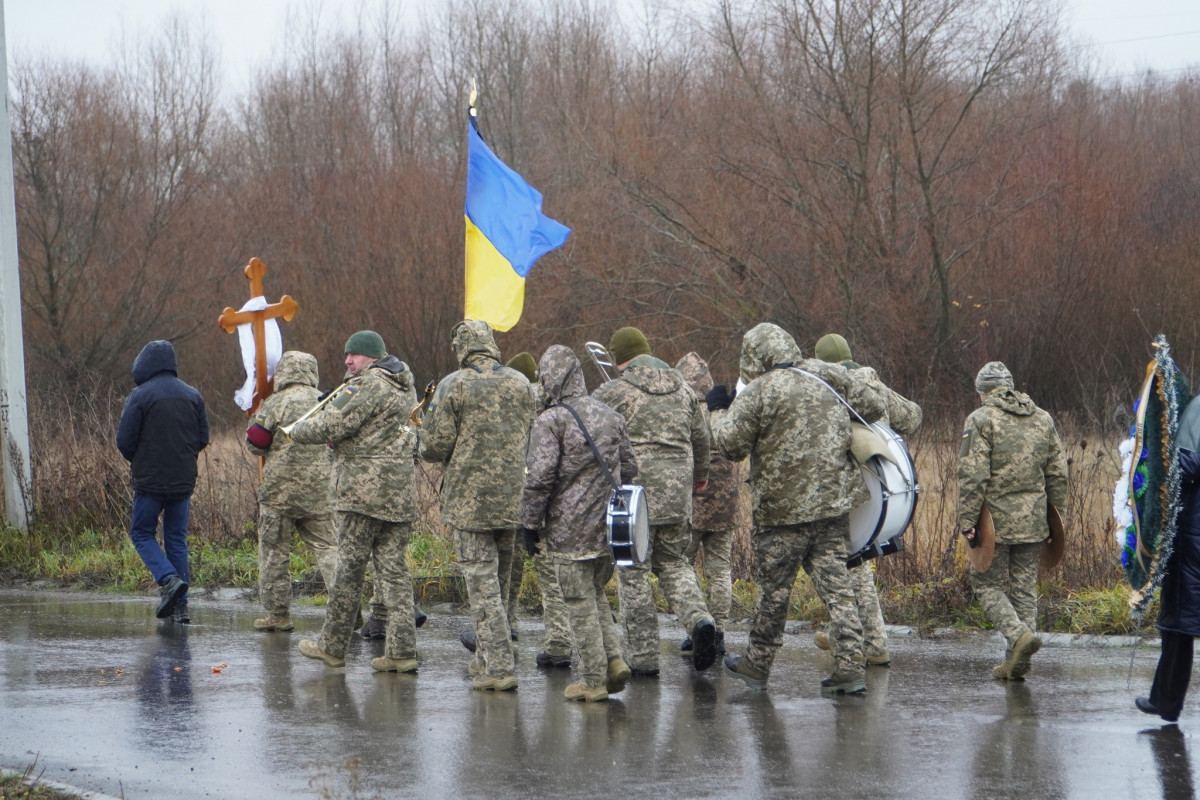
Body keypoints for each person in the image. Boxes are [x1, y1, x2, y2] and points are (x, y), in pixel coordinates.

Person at [709, 322, 884, 694]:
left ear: (754, 358)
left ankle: (757, 665)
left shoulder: (758, 392)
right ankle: (851, 666)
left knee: (774, 592)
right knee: (839, 588)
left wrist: (718, 411)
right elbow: (873, 405)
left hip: (781, 513)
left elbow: (730, 446)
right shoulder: (826, 375)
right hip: (832, 504)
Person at [290, 330, 420, 673]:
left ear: (373, 357)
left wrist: (294, 431)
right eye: (346, 354)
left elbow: (331, 425)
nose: (348, 361)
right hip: (399, 495)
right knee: (394, 574)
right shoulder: (405, 387)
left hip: (363, 496)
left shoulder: (366, 385)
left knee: (349, 571)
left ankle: (332, 647)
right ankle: (401, 651)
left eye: (355, 355)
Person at [593, 326, 718, 675]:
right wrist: (700, 476)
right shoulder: (684, 389)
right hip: (678, 492)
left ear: (619, 360)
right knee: (675, 564)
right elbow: (701, 437)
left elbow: (589, 429)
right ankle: (700, 621)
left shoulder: (614, 391)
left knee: (633, 573)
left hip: (635, 496)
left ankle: (645, 659)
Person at [418, 320, 534, 691]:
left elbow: (434, 447)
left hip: (470, 503)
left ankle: (499, 668)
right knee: (500, 584)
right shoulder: (521, 383)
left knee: (481, 586)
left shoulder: (455, 384)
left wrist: (420, 435)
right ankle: (487, 659)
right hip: (514, 498)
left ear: (461, 348)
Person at [521, 345, 637, 701]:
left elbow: (539, 478)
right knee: (596, 594)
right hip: (609, 529)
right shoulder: (609, 414)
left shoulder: (552, 420)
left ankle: (592, 680)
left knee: (577, 602)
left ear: (550, 378)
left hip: (568, 531)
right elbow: (631, 468)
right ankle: (614, 660)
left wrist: (528, 524)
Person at [811, 333, 923, 667]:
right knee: (856, 563)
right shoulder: (871, 382)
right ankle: (860, 635)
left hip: (853, 484)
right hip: (883, 485)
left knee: (849, 562)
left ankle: (869, 641)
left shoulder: (830, 386)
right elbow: (913, 416)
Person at [958, 361, 1068, 681]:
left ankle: (1018, 637)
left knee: (985, 583)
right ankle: (1017, 662)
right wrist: (1056, 518)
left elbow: (972, 475)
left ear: (982, 392)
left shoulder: (980, 420)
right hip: (1034, 519)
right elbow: (1058, 474)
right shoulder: (1042, 418)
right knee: (1023, 587)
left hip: (995, 521)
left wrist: (967, 520)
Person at [244, 351, 338, 632]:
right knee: (329, 548)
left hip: (279, 495)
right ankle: (346, 608)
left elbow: (256, 443)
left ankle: (278, 614)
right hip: (320, 492)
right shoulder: (327, 401)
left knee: (274, 551)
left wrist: (257, 416)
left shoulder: (275, 403)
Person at [116, 340, 210, 622]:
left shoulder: (139, 396)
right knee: (176, 540)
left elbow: (124, 442)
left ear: (145, 364)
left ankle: (168, 580)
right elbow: (202, 438)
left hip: (149, 481)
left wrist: (141, 459)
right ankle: (181, 607)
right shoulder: (193, 396)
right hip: (183, 481)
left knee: (142, 533)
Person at [507, 351, 573, 669]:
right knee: (552, 573)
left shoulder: (524, 400)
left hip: (536, 497)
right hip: (562, 498)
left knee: (542, 572)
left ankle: (559, 644)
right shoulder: (556, 403)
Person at [675, 352, 738, 657]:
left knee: (683, 566)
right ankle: (720, 633)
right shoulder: (721, 408)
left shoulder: (683, 408)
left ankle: (698, 628)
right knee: (720, 570)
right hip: (725, 501)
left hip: (693, 500)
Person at [1138, 438, 1200, 723]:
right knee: (1180, 623)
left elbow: (1184, 467)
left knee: (1179, 621)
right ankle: (1163, 699)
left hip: (1192, 537)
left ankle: (1166, 702)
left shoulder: (1198, 412)